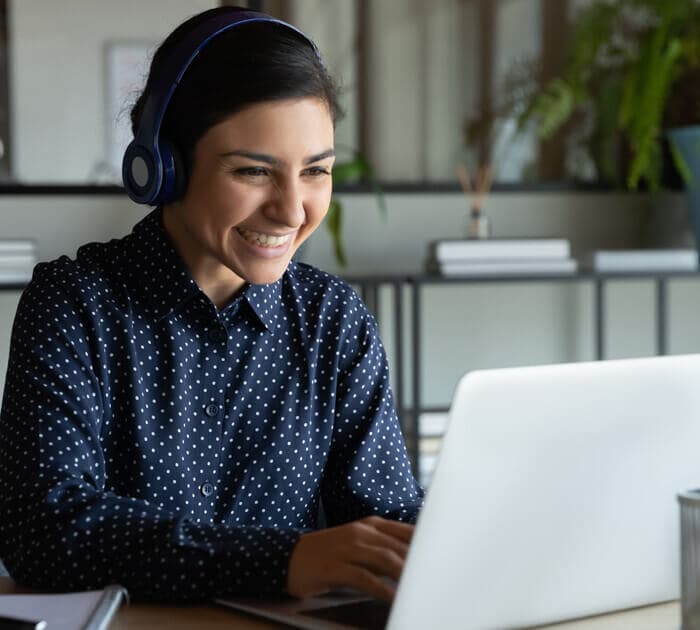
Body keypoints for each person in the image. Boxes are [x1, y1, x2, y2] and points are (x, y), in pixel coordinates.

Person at [0, 5, 423, 603]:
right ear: (163, 167)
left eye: (316, 172)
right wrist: (281, 561)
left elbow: (390, 523)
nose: (293, 209)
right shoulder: (75, 304)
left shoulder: (333, 318)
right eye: (254, 171)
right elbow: (45, 531)